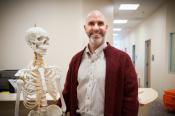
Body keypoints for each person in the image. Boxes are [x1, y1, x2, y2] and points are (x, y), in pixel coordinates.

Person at [57, 10, 139, 116]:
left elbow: (131, 100)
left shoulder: (123, 59)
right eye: (91, 23)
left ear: (106, 27)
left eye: (100, 23)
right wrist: (54, 108)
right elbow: (68, 93)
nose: (96, 28)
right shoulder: (76, 60)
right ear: (85, 28)